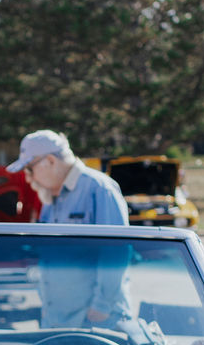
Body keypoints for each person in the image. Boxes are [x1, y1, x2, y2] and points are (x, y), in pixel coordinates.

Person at [7, 130, 130, 327]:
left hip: (94, 322)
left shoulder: (99, 189)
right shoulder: (50, 198)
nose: (28, 179)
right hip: (57, 320)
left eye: (29, 169)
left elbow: (116, 252)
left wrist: (102, 307)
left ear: (50, 161)